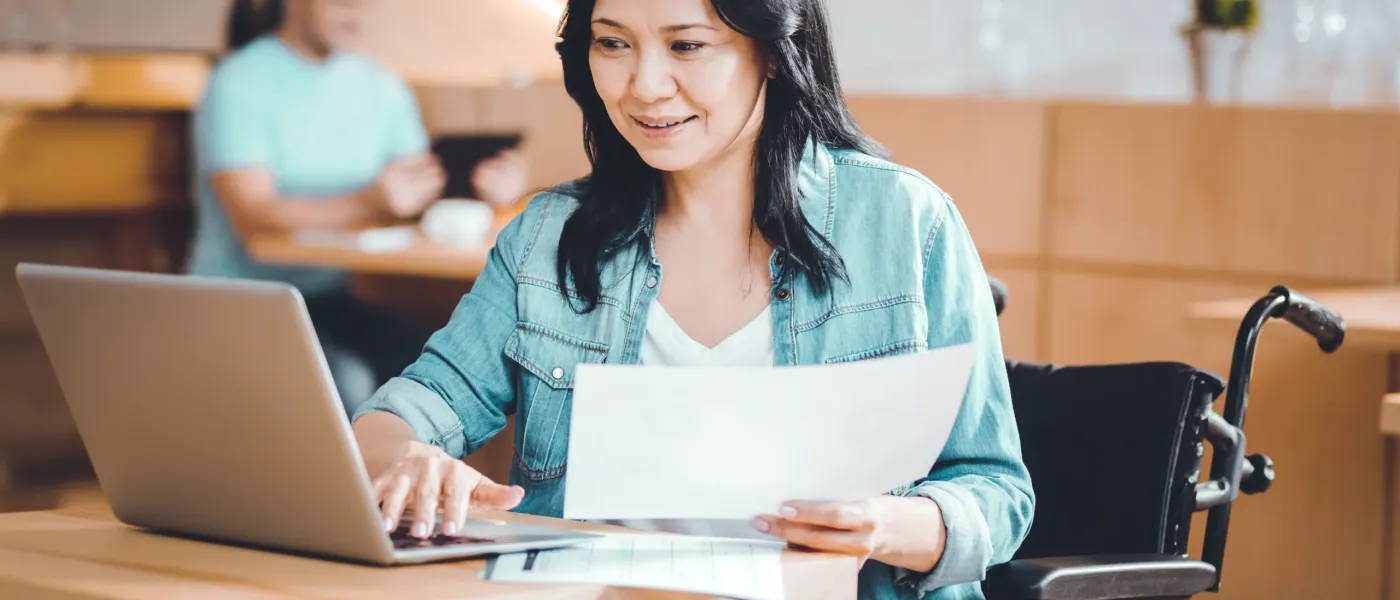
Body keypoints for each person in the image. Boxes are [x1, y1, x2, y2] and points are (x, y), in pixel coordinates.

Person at [351, 0, 1034, 597]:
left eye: (686, 45)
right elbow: (402, 414)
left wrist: (882, 526)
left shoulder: (906, 223)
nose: (645, 86)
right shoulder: (546, 237)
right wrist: (404, 457)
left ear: (773, 51)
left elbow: (996, 493)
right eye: (612, 42)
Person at [187, 0, 529, 415]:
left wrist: (487, 192)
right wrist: (369, 201)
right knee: (345, 380)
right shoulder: (239, 82)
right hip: (238, 300)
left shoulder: (381, 86)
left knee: (443, 367)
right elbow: (253, 213)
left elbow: (416, 193)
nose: (356, 9)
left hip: (330, 298)